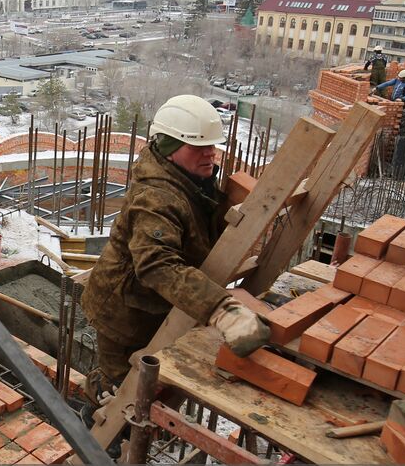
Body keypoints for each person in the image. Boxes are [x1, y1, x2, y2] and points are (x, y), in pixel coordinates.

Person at [81, 95, 269, 404]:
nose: (211, 153)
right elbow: (157, 265)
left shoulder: (193, 180)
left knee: (150, 387)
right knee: (120, 393)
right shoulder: (156, 198)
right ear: (169, 149)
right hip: (124, 313)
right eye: (198, 146)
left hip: (157, 304)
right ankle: (96, 424)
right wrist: (221, 310)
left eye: (212, 144)